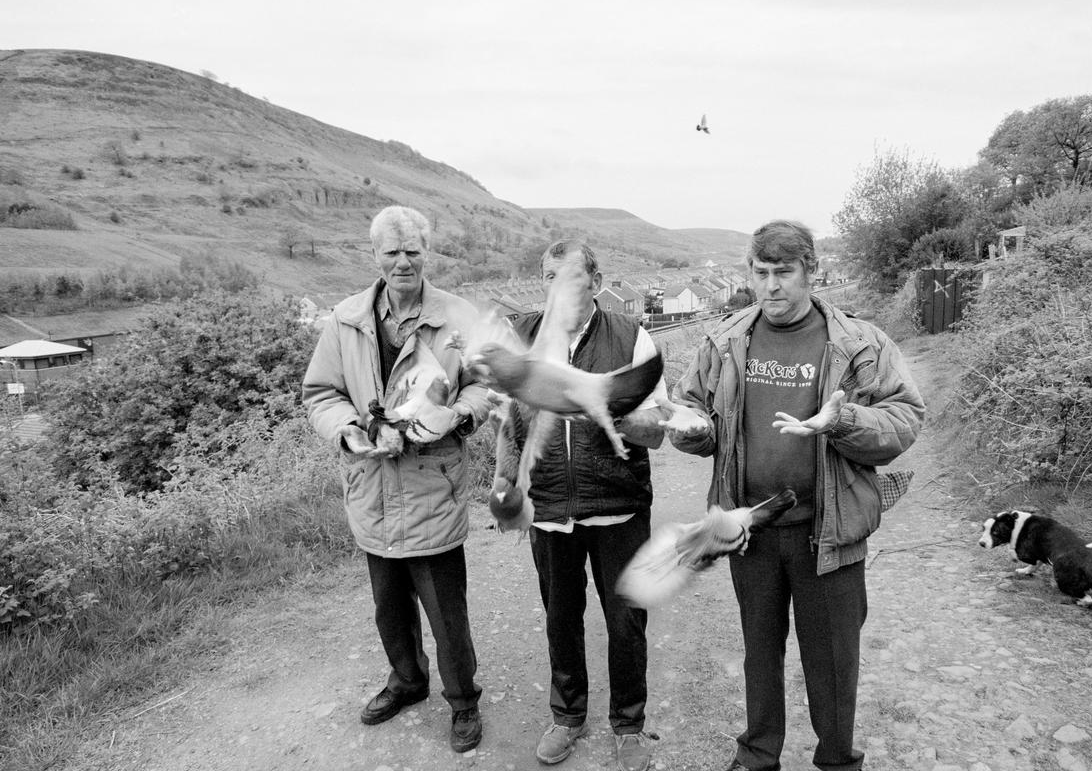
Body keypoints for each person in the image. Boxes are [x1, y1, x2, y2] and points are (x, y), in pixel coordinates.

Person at [662, 220, 924, 771]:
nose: (772, 286)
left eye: (784, 273)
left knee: (832, 660)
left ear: (812, 272)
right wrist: (692, 430)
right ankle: (759, 754)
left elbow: (904, 420)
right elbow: (695, 413)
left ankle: (836, 760)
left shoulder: (860, 344)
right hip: (750, 532)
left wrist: (843, 419)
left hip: (826, 534)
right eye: (761, 273)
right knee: (760, 652)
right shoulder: (725, 340)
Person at [301, 205, 494, 754]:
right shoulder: (344, 319)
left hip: (433, 481)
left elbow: (485, 385)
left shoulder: (458, 315)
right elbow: (321, 394)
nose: (403, 262)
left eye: (412, 250)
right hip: (372, 486)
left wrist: (457, 416)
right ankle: (407, 682)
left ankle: (462, 701)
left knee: (445, 609)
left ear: (426, 253)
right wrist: (347, 432)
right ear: (375, 256)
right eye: (392, 252)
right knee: (389, 606)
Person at [513, 240, 669, 771]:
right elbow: (506, 425)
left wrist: (610, 415)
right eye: (548, 277)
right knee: (561, 616)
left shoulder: (632, 339)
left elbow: (657, 431)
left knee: (626, 620)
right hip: (550, 505)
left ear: (596, 282)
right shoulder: (522, 340)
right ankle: (567, 716)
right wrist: (504, 485)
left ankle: (628, 723)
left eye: (570, 278)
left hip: (619, 507)